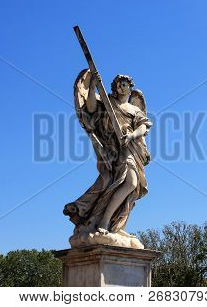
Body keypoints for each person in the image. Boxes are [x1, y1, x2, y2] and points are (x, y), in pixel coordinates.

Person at [64, 71, 152, 239]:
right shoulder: (108, 102)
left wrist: (132, 136)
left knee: (127, 186)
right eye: (118, 84)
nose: (121, 86)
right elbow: (90, 107)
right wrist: (92, 87)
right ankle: (104, 221)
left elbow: (143, 127)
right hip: (114, 149)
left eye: (124, 84)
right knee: (128, 183)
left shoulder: (134, 108)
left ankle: (114, 224)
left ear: (130, 87)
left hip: (131, 147)